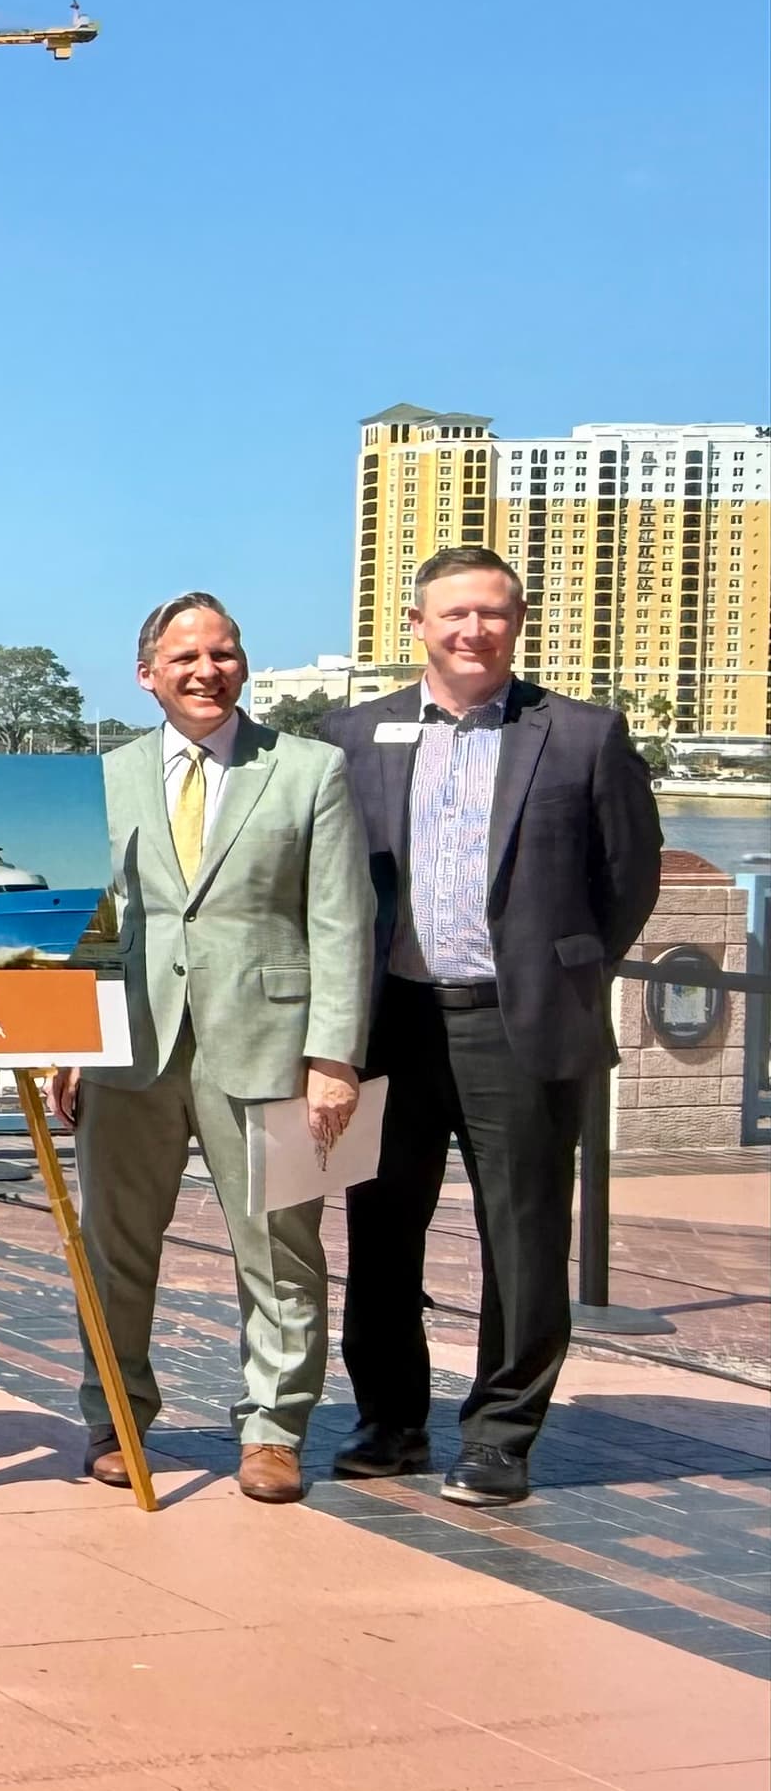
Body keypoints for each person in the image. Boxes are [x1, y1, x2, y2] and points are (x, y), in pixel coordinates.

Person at [322, 547, 662, 1506]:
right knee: (381, 1232)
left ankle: (501, 1435)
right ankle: (390, 1422)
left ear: (518, 625)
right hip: (390, 1023)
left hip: (519, 1025)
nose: (473, 631)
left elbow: (629, 872)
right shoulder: (354, 735)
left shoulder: (583, 736)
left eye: (494, 615)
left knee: (522, 1234)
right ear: (418, 624)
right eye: (454, 614)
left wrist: (568, 966)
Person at [51, 594, 372, 1505]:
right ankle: (115, 1413)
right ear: (147, 673)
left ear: (243, 664)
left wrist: (335, 1058)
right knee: (113, 1246)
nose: (207, 670)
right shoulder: (105, 779)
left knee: (283, 1249)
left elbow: (344, 922)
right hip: (129, 1049)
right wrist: (68, 1039)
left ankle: (274, 1429)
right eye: (185, 656)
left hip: (274, 1048)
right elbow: (85, 921)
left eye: (223, 652)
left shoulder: (311, 771)